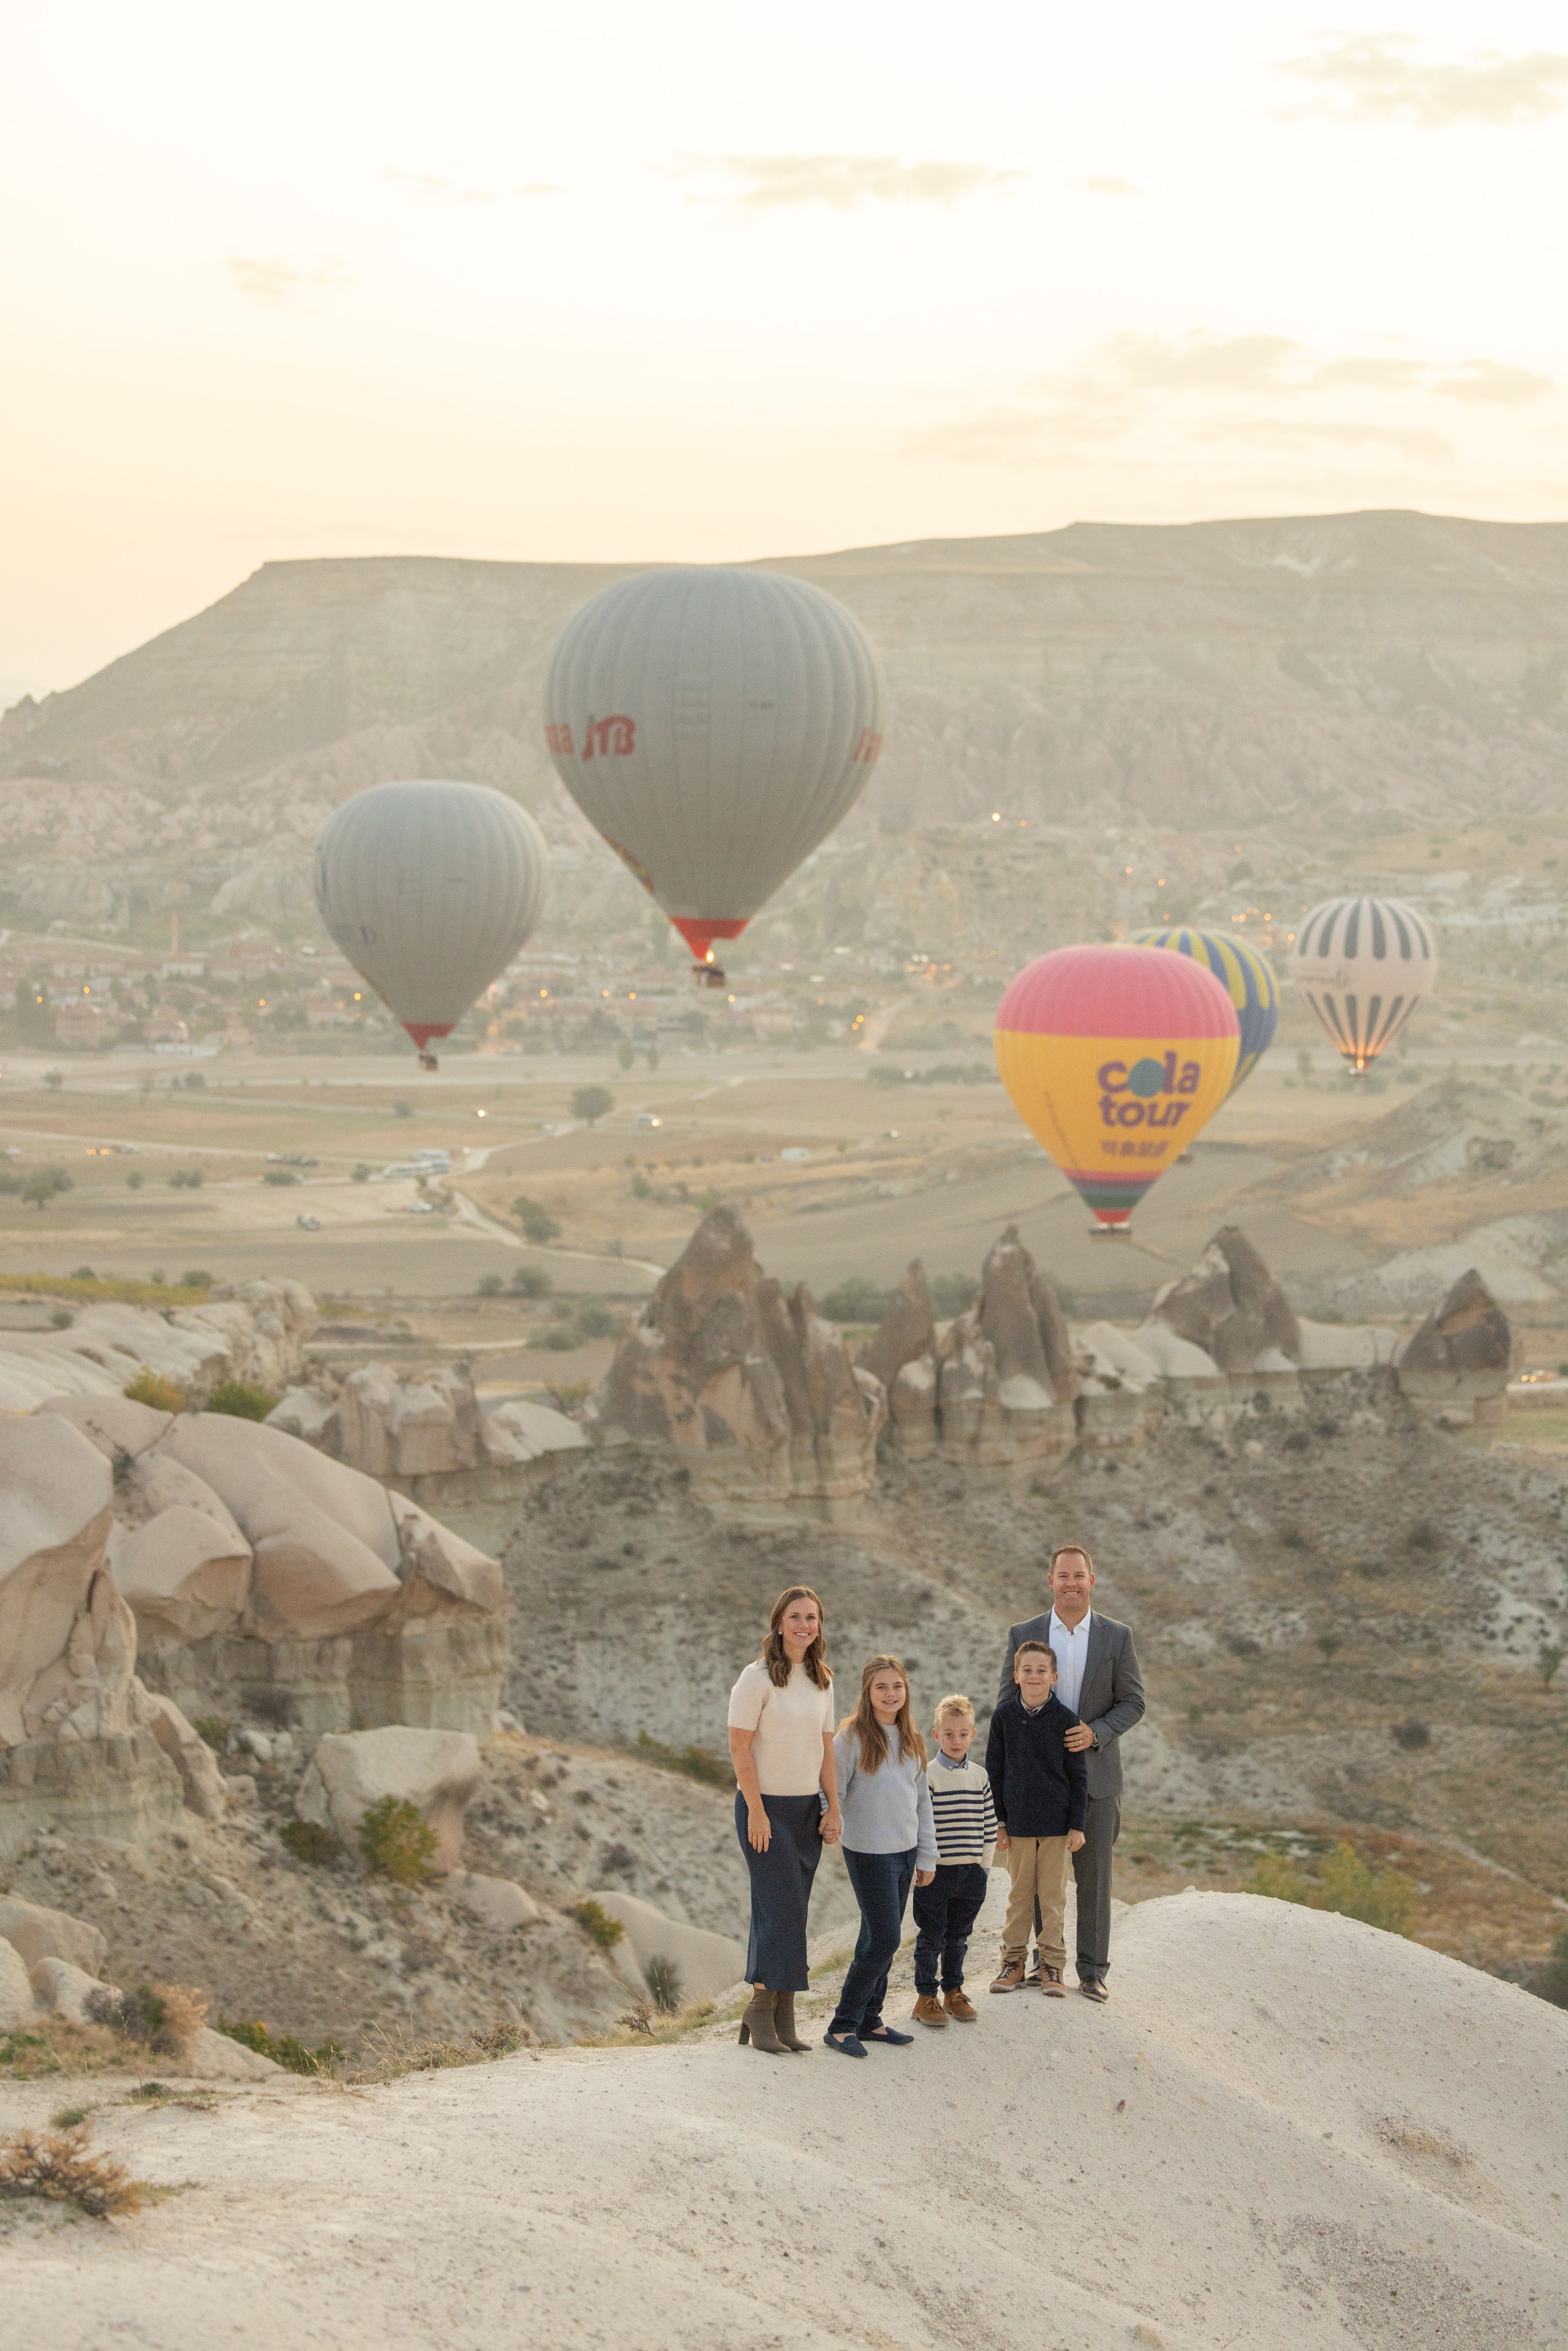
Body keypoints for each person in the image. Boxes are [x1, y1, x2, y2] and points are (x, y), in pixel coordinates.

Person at [996, 1543, 1145, 2002]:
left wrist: (1095, 1732)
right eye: (1063, 1576)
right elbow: (1005, 1702)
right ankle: (1046, 1962)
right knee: (1042, 1880)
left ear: (1092, 1581)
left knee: (1095, 1878)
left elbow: (1134, 1702)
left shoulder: (1117, 1636)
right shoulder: (1025, 1632)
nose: (1072, 1583)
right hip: (1039, 1785)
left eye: (1080, 1575)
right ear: (1051, 1582)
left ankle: (1093, 1971)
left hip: (1097, 1780)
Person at [728, 1585, 841, 2056]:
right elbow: (738, 1748)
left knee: (790, 1911)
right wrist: (756, 1809)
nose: (804, 1625)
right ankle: (760, 2009)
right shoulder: (754, 1680)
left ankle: (782, 2014)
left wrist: (834, 1807)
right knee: (782, 1910)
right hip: (765, 1809)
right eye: (795, 1616)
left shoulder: (823, 1679)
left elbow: (826, 1750)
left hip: (806, 1811)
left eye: (812, 1617)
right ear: (779, 1623)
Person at [823, 1655, 938, 2058]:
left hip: (906, 1852)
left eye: (897, 1687)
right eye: (881, 1688)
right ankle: (841, 2026)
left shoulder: (912, 1740)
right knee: (887, 1938)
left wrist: (928, 1856)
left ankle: (870, 2019)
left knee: (874, 1938)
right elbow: (831, 1789)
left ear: (906, 1691)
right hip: (868, 1853)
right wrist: (831, 1819)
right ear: (868, 1693)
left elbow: (923, 1802)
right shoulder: (851, 1739)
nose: (890, 1695)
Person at [986, 1641, 1087, 1996]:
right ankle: (1012, 1963)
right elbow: (994, 1773)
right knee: (1019, 1897)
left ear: (1054, 1678)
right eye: (1027, 1670)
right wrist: (999, 1822)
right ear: (1016, 1676)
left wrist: (1077, 1824)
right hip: (1019, 1826)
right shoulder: (1003, 1717)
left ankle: (1052, 1968)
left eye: (1042, 1671)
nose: (1034, 1676)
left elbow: (1078, 1776)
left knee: (1053, 1897)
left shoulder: (1065, 1719)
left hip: (1058, 1827)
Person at [910, 1694, 997, 2027]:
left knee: (959, 1936)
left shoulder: (980, 1776)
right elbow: (923, 1823)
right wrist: (924, 1864)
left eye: (963, 1734)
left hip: (972, 1872)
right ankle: (925, 1997)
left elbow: (990, 1824)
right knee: (931, 1935)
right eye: (948, 1734)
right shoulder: (928, 1775)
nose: (956, 1740)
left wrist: (984, 1868)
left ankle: (954, 1991)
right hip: (936, 1872)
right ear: (936, 1735)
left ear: (973, 1734)